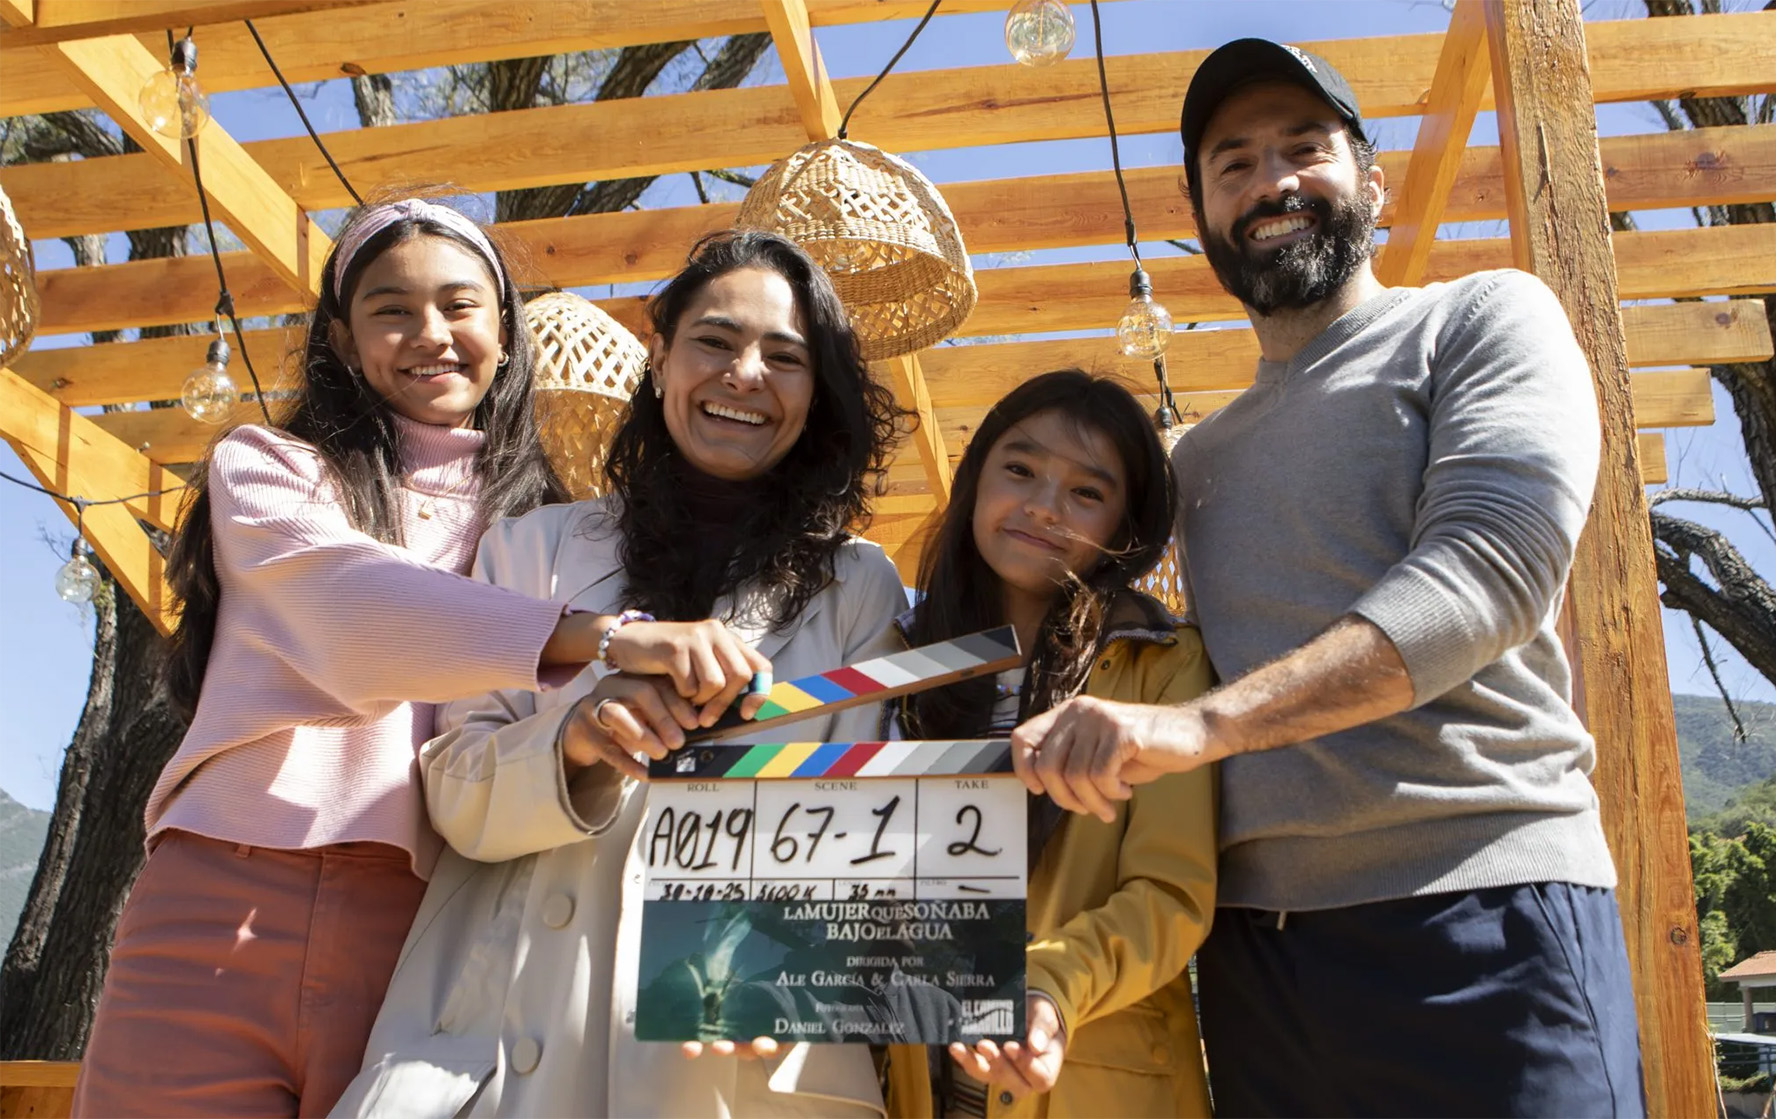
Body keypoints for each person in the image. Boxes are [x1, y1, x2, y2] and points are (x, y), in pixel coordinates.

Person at [1009, 40, 1645, 1117]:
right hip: (1259, 966)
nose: (1270, 183)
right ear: (1202, 212)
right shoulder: (1194, 462)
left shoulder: (1482, 319)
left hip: (1484, 903)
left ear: (1371, 178)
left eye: (1303, 149)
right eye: (1233, 165)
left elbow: (1492, 570)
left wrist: (1196, 731)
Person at [74, 196, 780, 1119]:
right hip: (217, 901)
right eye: (390, 309)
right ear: (338, 337)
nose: (430, 334)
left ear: (504, 325)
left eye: (460, 305)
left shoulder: (542, 532)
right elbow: (351, 602)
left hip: (421, 939)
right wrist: (599, 636)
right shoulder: (270, 468)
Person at [332, 229, 909, 1119]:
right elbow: (452, 791)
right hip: (507, 1045)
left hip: (730, 1060)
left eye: (785, 357)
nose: (745, 374)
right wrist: (576, 741)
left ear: (816, 393)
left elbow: (872, 837)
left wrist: (799, 963)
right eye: (715, 341)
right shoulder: (532, 546)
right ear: (660, 354)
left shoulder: (861, 587)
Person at [881, 371, 1216, 1119]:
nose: (1042, 506)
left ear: (1127, 528)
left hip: (1090, 1076)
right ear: (975, 479)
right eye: (1021, 469)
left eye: (1086, 492)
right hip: (923, 1081)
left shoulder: (1161, 662)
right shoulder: (894, 657)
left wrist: (1054, 987)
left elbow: (1171, 892)